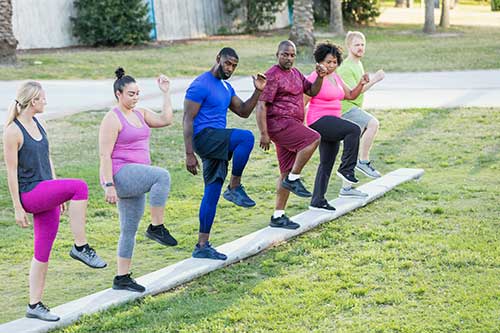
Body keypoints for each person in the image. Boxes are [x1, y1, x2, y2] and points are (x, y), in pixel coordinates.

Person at [3, 81, 107, 322]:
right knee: (80, 186)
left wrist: (56, 190)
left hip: (45, 191)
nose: (46, 102)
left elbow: (47, 159)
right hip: (30, 194)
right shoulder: (12, 131)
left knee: (42, 253)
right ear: (32, 101)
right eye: (43, 99)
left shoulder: (40, 123)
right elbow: (10, 172)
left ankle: (34, 305)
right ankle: (81, 247)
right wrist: (18, 208)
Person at [183, 47, 266, 260]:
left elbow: (245, 111)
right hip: (204, 137)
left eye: (234, 66)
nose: (230, 68)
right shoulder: (200, 85)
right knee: (245, 138)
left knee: (211, 191)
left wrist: (258, 90)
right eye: (227, 63)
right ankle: (235, 186)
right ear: (218, 59)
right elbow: (187, 119)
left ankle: (202, 245)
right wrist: (189, 154)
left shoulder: (226, 88)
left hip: (217, 143)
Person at [99, 68, 176, 293]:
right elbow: (104, 155)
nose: (135, 98)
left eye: (137, 93)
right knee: (161, 176)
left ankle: (122, 278)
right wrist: (109, 185)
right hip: (120, 175)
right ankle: (156, 227)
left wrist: (166, 92)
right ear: (118, 94)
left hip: (136, 176)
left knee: (128, 229)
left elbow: (166, 119)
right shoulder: (112, 118)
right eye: (131, 94)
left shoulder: (141, 113)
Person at [256, 40, 326, 228]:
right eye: (284, 54)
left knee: (284, 172)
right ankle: (294, 179)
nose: (288, 58)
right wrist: (264, 133)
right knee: (313, 138)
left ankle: (278, 216)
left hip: (292, 125)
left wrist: (320, 77)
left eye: (292, 55)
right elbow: (261, 105)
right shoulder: (272, 76)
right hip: (279, 124)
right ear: (277, 55)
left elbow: (311, 90)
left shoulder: (295, 73)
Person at [304, 42, 370, 210]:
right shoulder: (314, 77)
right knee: (353, 129)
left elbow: (350, 95)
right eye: (328, 62)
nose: (331, 65)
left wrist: (361, 83)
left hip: (332, 123)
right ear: (320, 62)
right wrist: (299, 126)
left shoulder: (336, 77)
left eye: (334, 62)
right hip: (318, 120)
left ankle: (317, 200)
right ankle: (347, 169)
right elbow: (303, 101)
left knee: (327, 161)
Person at [337, 31, 385, 178]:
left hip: (354, 108)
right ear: (349, 47)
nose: (360, 48)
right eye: (356, 45)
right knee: (373, 124)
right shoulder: (346, 67)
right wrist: (375, 79)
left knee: (354, 144)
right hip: (346, 108)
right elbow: (353, 93)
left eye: (362, 44)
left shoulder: (358, 63)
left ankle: (347, 184)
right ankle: (363, 162)